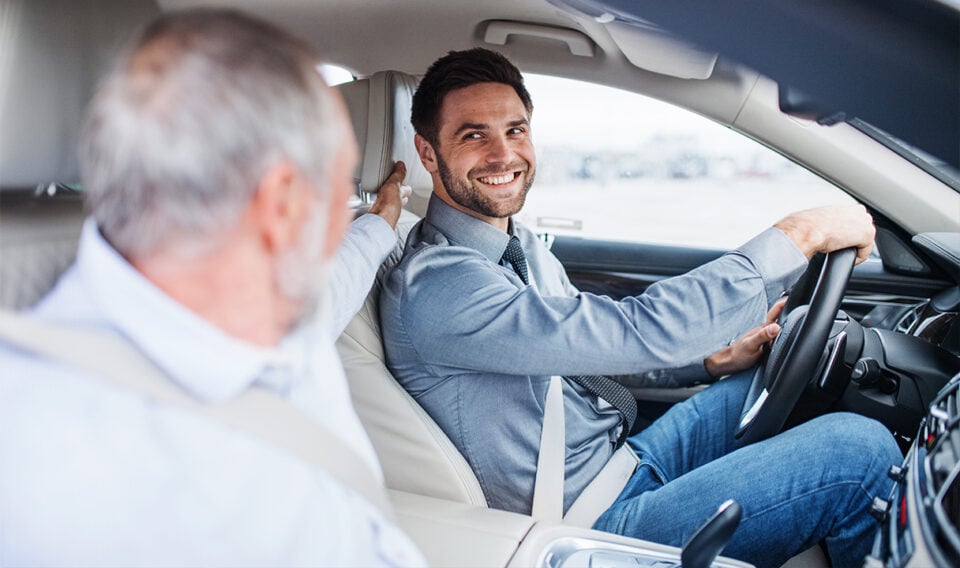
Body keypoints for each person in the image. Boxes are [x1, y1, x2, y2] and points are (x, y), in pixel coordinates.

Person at [379, 47, 902, 567]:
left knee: (798, 386)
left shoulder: (518, 246)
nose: (503, 155)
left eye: (515, 130)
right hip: (583, 522)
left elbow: (591, 348)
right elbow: (631, 331)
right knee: (860, 452)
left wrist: (708, 364)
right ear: (428, 154)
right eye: (474, 135)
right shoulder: (439, 286)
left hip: (621, 460)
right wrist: (797, 236)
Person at [0, 9, 424, 566]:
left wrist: (379, 220)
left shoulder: (269, 309)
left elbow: (336, 278)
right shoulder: (56, 486)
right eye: (338, 190)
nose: (339, 220)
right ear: (283, 206)